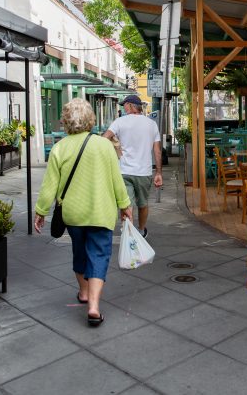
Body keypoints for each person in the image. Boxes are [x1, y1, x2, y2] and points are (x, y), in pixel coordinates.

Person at [34, 99, 131, 327]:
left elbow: (49, 186)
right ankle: (94, 306)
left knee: (79, 251)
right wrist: (125, 205)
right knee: (99, 254)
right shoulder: (104, 146)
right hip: (101, 211)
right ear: (90, 119)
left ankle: (83, 291)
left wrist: (40, 211)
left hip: (73, 214)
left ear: (66, 121)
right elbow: (117, 180)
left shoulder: (59, 148)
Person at [103, 94, 162, 238]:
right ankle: (141, 231)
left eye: (125, 105)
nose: (124, 108)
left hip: (124, 171)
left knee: (125, 204)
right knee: (143, 204)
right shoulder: (151, 124)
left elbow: (104, 139)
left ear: (130, 105)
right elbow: (157, 151)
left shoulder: (119, 122)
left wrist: (114, 147)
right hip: (144, 172)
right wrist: (158, 172)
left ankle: (126, 232)